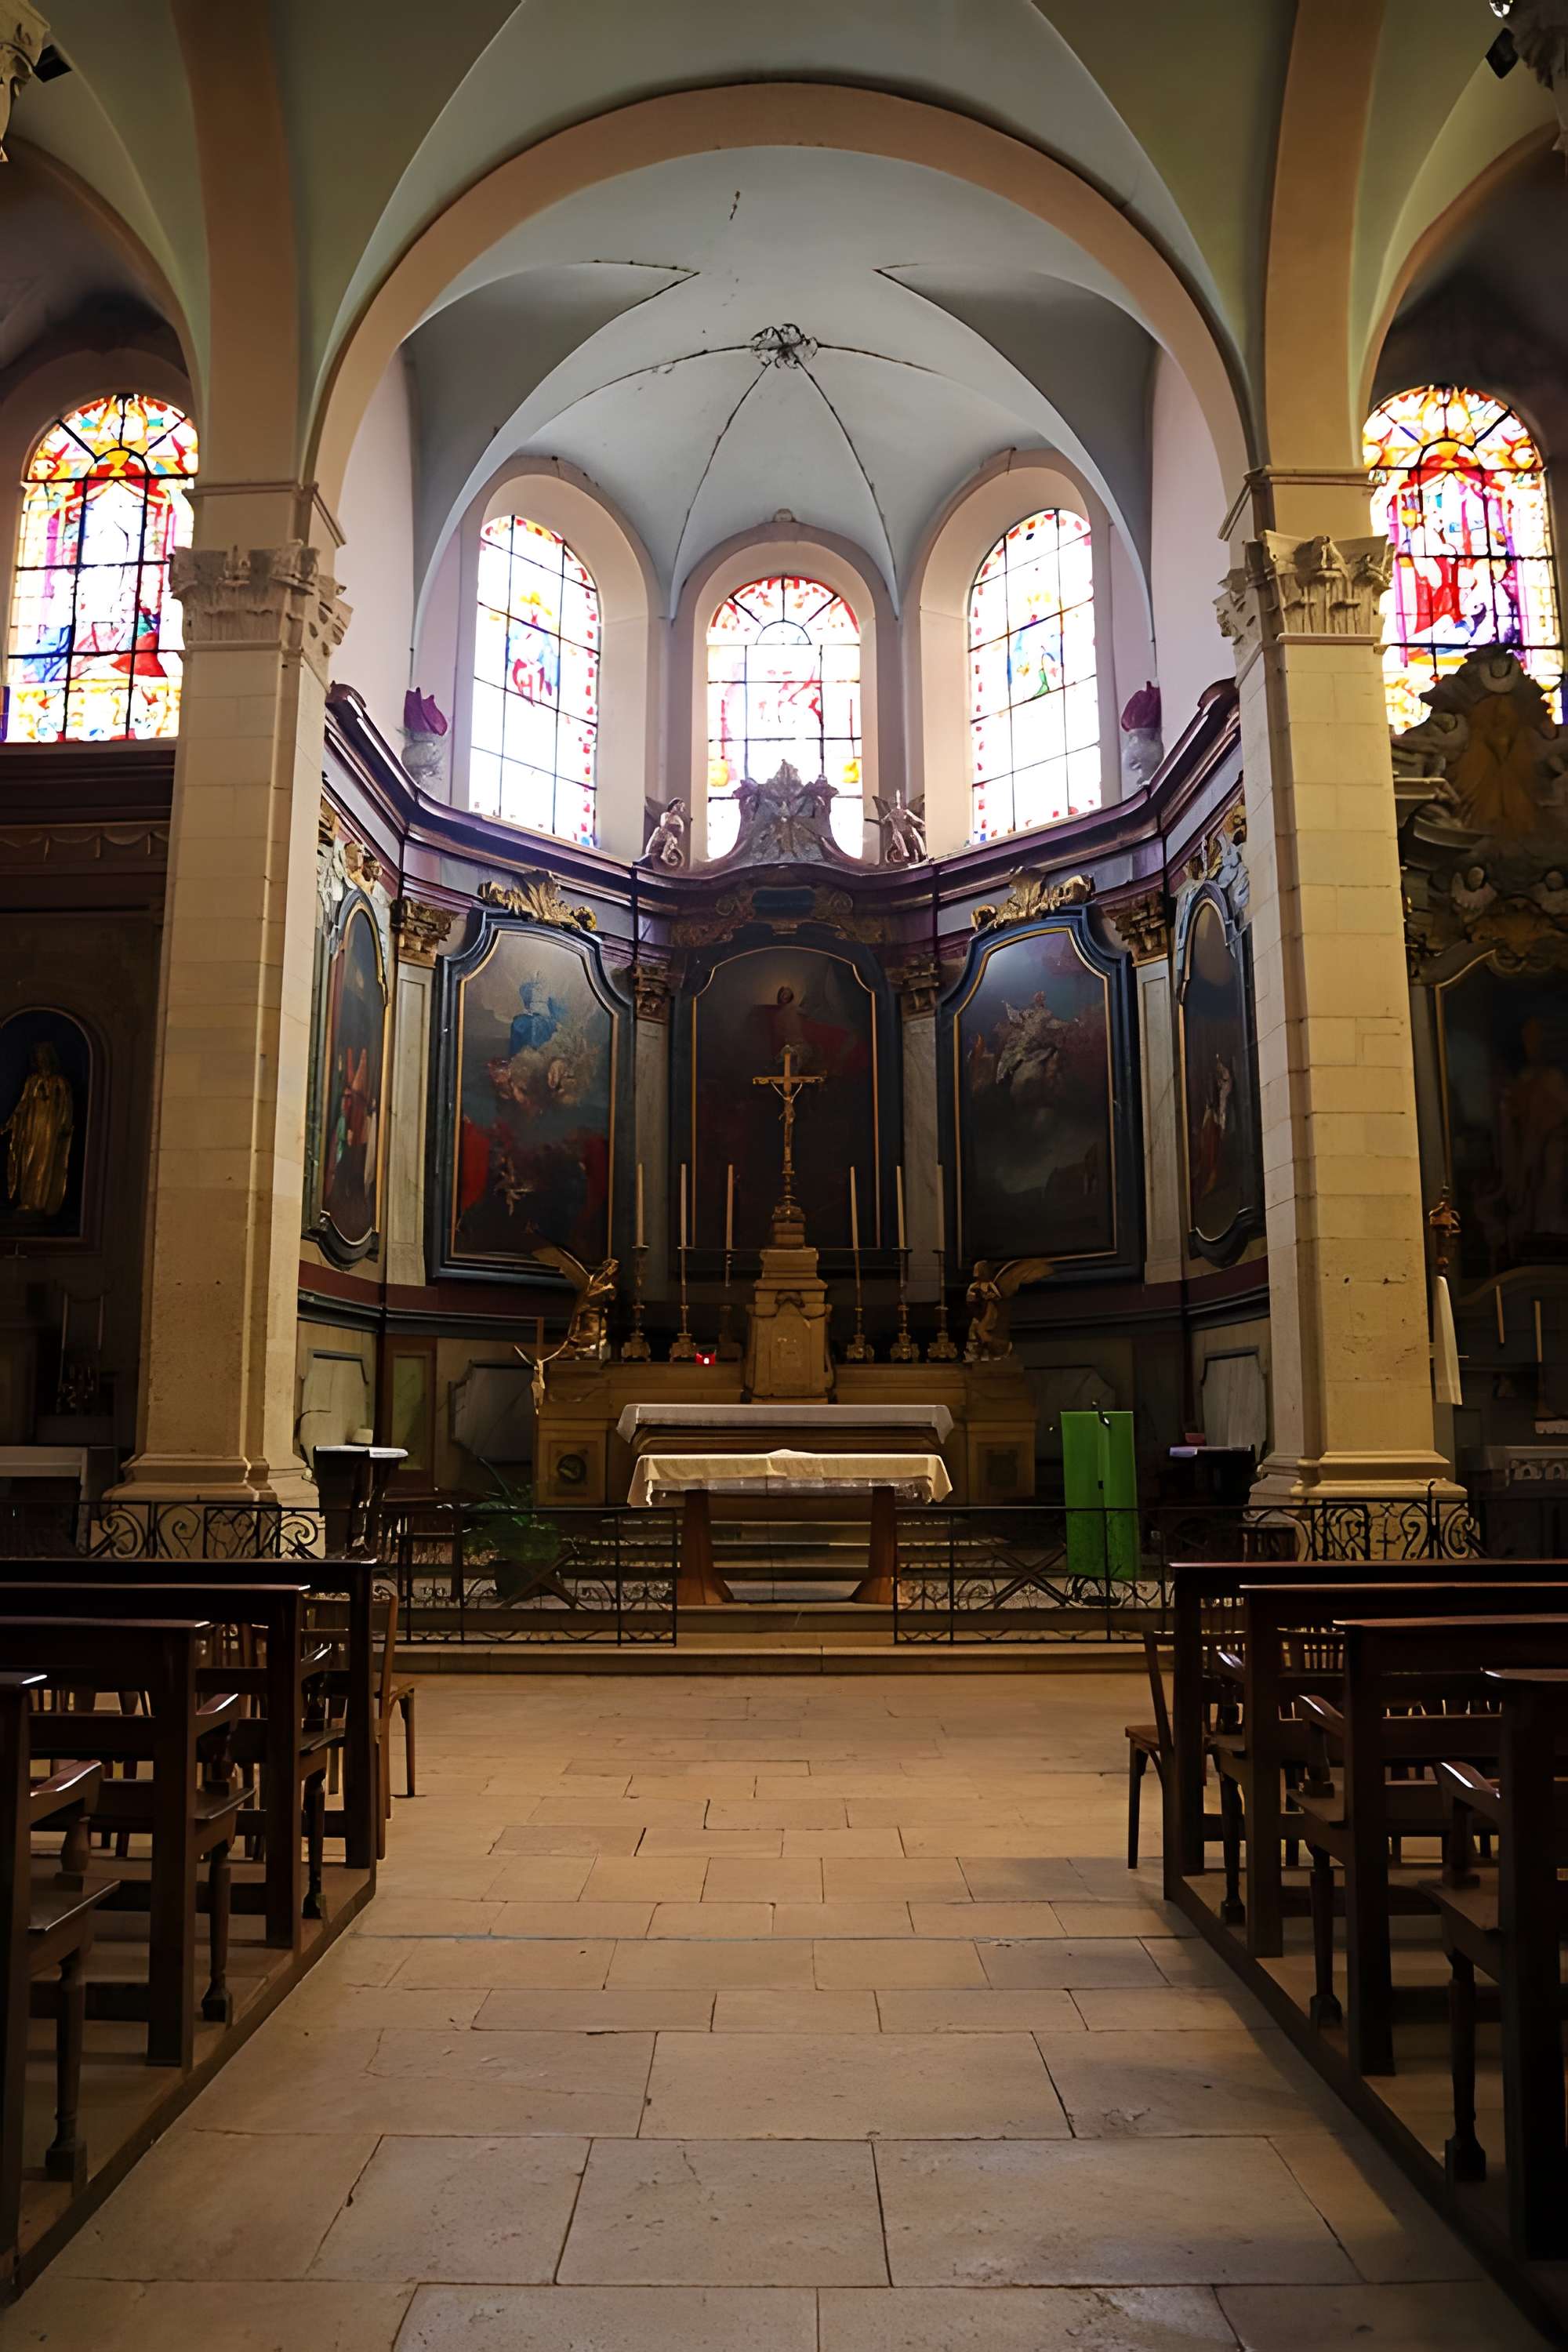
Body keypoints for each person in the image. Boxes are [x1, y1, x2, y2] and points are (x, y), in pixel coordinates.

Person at [2, 1039, 74, 1217]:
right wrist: (10, 1123)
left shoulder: (59, 1083)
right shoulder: (32, 1081)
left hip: (50, 1129)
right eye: (38, 1056)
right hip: (32, 1127)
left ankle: (41, 1201)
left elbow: (66, 1107)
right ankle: (27, 1201)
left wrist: (64, 1125)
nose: (41, 1059)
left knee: (45, 1162)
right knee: (28, 1162)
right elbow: (23, 1104)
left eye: (44, 1056)